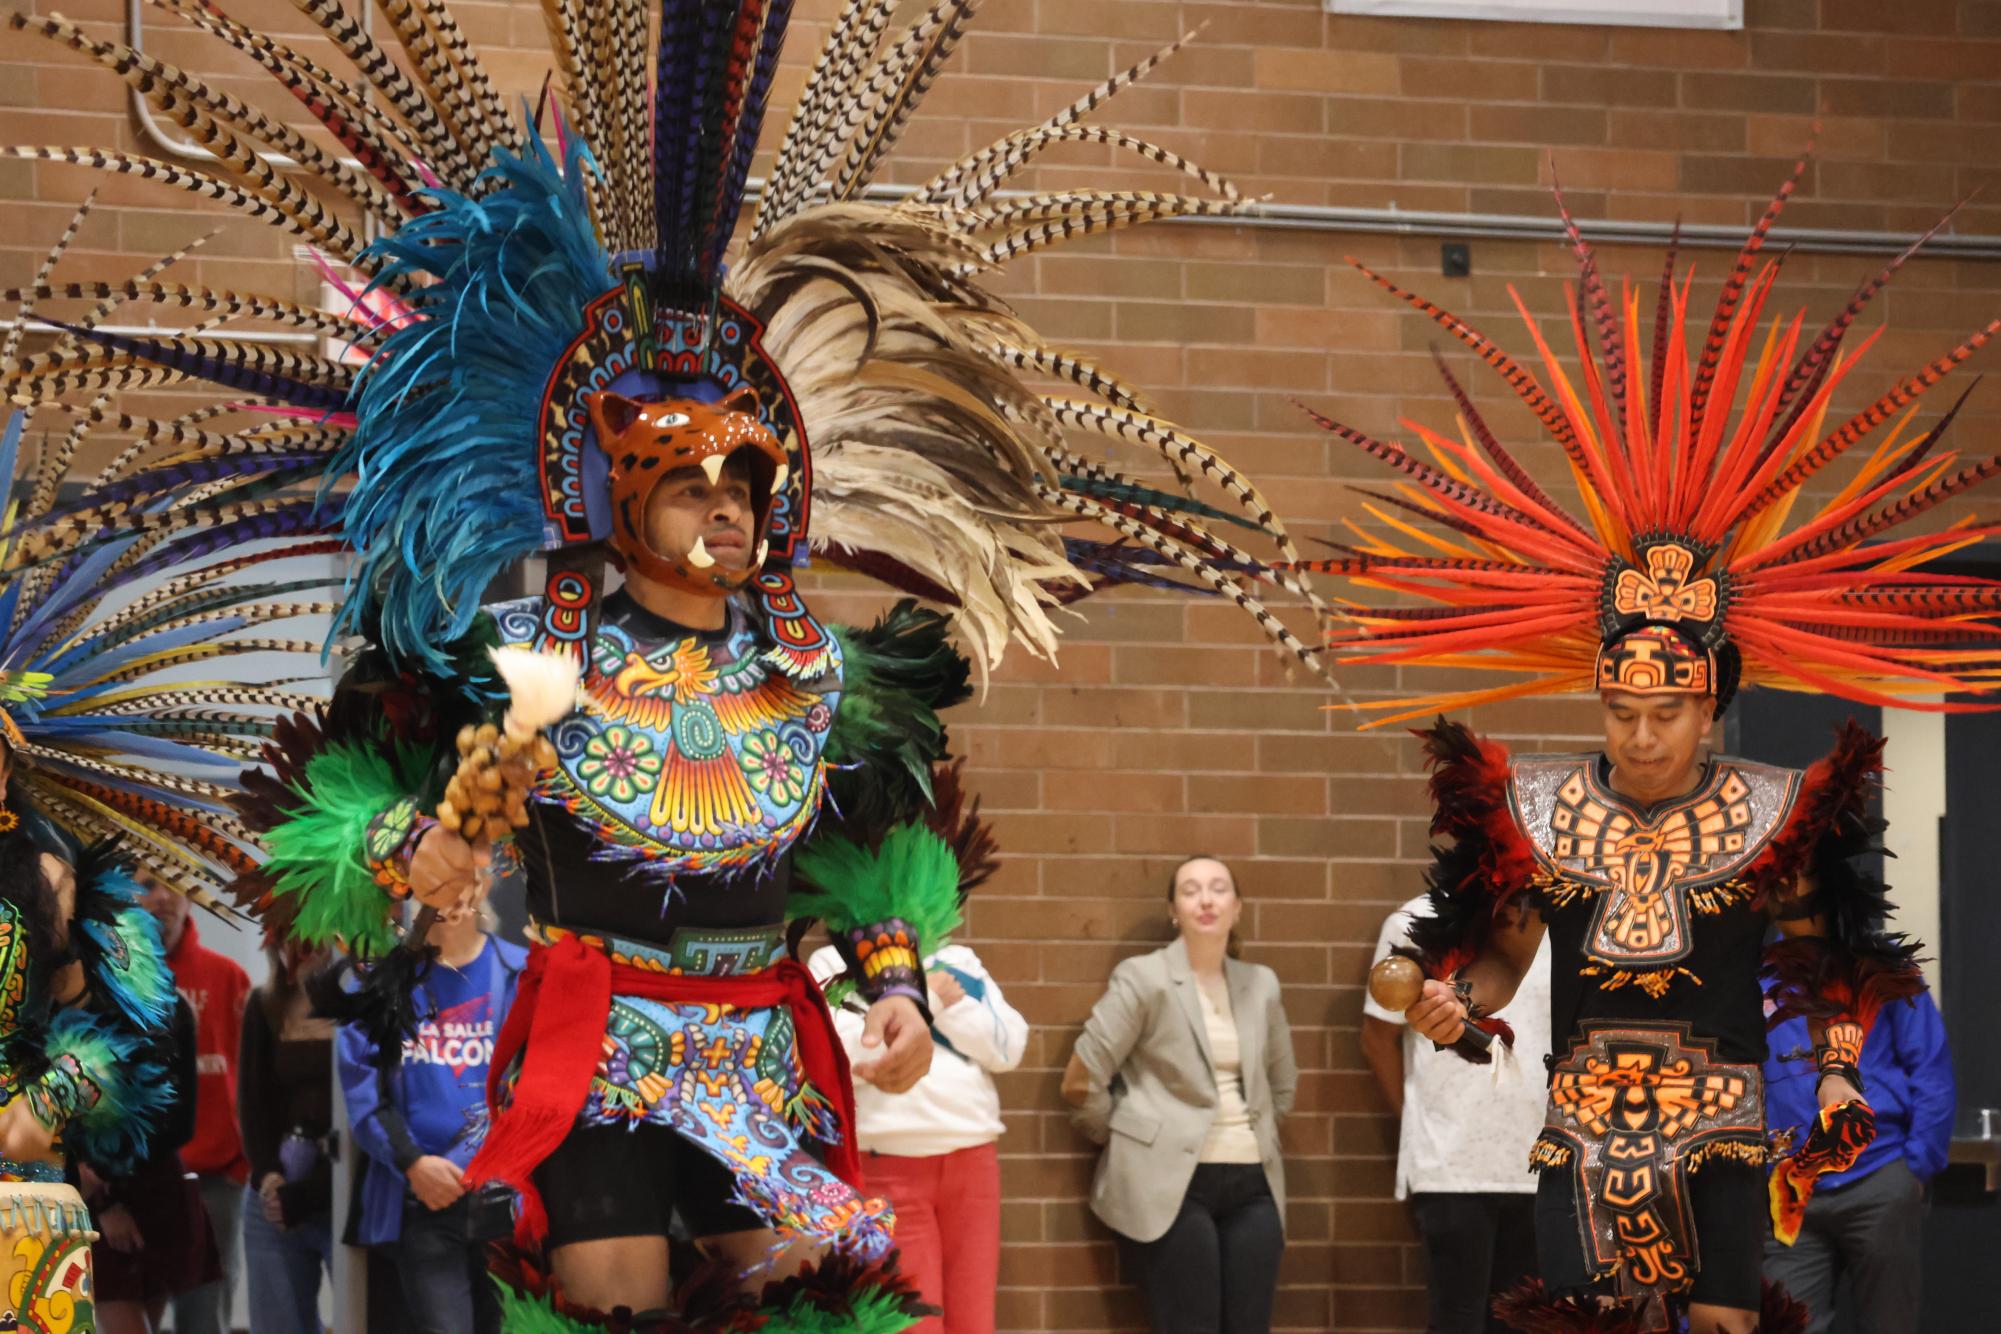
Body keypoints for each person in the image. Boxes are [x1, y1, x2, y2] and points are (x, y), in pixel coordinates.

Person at [71, 1, 1318, 1328]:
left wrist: (891, 983)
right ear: (617, 491)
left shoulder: (816, 668)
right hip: (588, 1048)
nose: (725, 502)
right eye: (687, 479)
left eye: (747, 477)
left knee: (818, 1297)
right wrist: (398, 840)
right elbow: (340, 773)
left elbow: (866, 847)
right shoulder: (532, 648)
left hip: (763, 1047)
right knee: (608, 1306)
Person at [1298, 159, 2001, 1333]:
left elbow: (1835, 955)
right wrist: (1447, 1008)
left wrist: (1834, 1062)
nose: (1637, 733)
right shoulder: (1544, 804)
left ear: (1711, 704)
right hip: (1581, 1128)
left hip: (1728, 1130)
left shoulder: (1778, 810)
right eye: (1619, 708)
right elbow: (1494, 963)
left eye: (1663, 711)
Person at [1061, 856, 1298, 1334]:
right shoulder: (1143, 977)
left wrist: (1261, 1138)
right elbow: (1080, 1077)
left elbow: (1282, 1085)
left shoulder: (1261, 983)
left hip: (1255, 1184)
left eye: (1218, 888)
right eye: (1191, 890)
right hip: (1169, 1185)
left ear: (1237, 907)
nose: (1206, 899)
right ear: (1173, 909)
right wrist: (1126, 1137)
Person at [808, 919, 1027, 1334]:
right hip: (886, 1168)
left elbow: (1006, 1046)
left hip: (973, 1159)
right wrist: (927, 1000)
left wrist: (915, 1005)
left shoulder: (958, 959)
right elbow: (844, 1056)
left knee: (974, 1321)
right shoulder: (832, 962)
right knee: (909, 1325)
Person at [1362, 897, 1552, 1334]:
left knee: (1526, 1323)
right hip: (1451, 1162)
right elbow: (1377, 1037)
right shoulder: (1412, 922)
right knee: (1457, 1319)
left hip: (1540, 1160)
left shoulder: (1552, 920)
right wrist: (1417, 1121)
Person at [340, 902, 526, 1334]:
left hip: (505, 1202)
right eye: (433, 886)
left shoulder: (523, 974)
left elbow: (531, 1086)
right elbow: (363, 1095)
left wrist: (469, 1164)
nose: (447, 899)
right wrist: (412, 1162)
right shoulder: (377, 986)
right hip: (421, 1200)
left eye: (460, 881)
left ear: (481, 885)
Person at [1761, 987, 1954, 1333]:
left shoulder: (1887, 968)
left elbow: (1930, 1068)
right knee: (1786, 1325)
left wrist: (1918, 1166)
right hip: (1789, 1187)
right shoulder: (1762, 974)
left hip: (1878, 1175)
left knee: (1889, 1325)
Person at [141, 874, 252, 1334]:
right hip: (136, 1184)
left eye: (173, 883)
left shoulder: (228, 977)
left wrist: (242, 1163)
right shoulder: (104, 981)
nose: (164, 897)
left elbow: (254, 1081)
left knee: (204, 1319)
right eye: (148, 884)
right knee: (128, 1310)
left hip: (214, 1182)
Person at [85, 992, 224, 1334]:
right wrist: (104, 1202)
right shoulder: (73, 998)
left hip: (156, 1187)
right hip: (92, 1186)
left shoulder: (169, 1005)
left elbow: (180, 1121)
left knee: (148, 1320)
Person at [239, 939, 336, 1334]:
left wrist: (313, 1192)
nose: (304, 944)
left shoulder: (363, 1005)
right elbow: (251, 1102)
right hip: (276, 1190)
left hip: (341, 1191)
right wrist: (269, 1177)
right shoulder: (264, 1004)